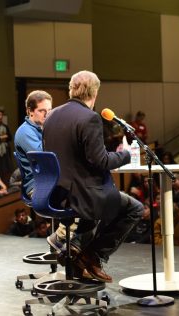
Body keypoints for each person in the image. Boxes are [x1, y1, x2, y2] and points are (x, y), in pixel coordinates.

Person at [43, 70, 143, 283]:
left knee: (109, 201)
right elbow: (101, 161)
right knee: (134, 209)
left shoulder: (51, 115)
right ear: (94, 93)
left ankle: (76, 247)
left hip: (55, 191)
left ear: (71, 89)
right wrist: (126, 155)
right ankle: (92, 255)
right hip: (82, 194)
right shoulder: (90, 118)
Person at [14, 90, 52, 195]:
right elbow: (45, 158)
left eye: (49, 110)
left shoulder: (45, 128)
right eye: (42, 111)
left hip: (49, 179)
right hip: (37, 184)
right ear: (30, 111)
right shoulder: (25, 131)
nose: (47, 115)